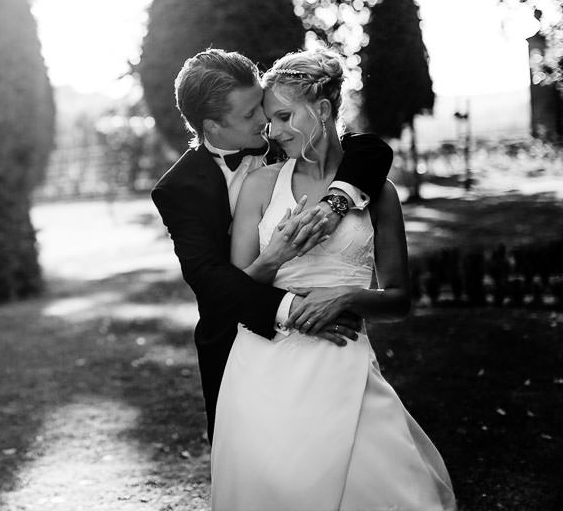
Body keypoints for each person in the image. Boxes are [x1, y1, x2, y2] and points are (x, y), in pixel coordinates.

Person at [210, 48, 455, 510]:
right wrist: (279, 254)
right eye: (269, 120)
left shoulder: (378, 193)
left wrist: (345, 297)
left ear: (322, 109)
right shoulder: (261, 186)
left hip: (345, 364)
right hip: (264, 366)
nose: (274, 133)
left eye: (283, 117)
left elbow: (401, 300)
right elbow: (236, 287)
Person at [150, 48, 393, 445]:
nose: (264, 121)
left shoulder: (287, 139)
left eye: (262, 107)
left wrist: (336, 205)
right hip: (234, 341)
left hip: (329, 349)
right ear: (212, 126)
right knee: (254, 463)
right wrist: (294, 300)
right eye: (249, 115)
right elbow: (211, 284)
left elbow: (371, 150)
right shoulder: (177, 191)